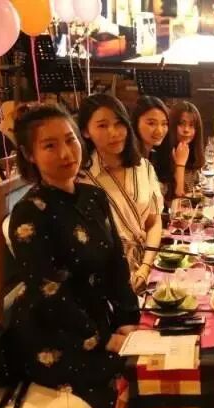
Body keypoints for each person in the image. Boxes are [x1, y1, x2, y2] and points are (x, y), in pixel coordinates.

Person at [8, 104, 139, 408]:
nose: (66, 153)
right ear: (29, 154)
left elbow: (116, 263)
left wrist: (127, 318)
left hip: (98, 316)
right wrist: (104, 338)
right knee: (134, 379)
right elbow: (48, 292)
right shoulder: (29, 213)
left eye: (70, 140)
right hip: (54, 332)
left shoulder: (94, 197)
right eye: (50, 145)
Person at [78, 94, 163, 293]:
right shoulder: (82, 179)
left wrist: (145, 267)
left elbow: (153, 222)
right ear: (85, 131)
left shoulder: (143, 168)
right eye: (102, 125)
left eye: (119, 123)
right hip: (107, 278)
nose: (114, 133)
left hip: (147, 265)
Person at [132, 95, 173, 203]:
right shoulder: (132, 160)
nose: (159, 130)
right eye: (151, 123)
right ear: (136, 123)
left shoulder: (155, 154)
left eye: (164, 124)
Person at [169, 101, 205, 198]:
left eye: (191, 125)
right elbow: (179, 195)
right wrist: (180, 164)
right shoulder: (163, 155)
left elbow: (192, 193)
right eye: (181, 124)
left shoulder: (192, 153)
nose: (186, 130)